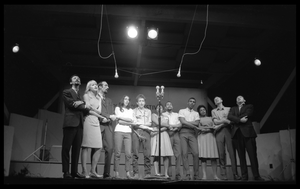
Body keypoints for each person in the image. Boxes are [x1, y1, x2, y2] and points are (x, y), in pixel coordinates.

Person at [227, 95, 264, 181]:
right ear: (236, 101)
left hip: (248, 133)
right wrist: (240, 120)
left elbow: (247, 114)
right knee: (241, 156)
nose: (239, 98)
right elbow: (229, 116)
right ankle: (244, 176)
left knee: (252, 155)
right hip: (237, 134)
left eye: (241, 97)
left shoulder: (249, 106)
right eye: (237, 97)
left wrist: (235, 120)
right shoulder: (233, 108)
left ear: (244, 100)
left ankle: (256, 176)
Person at [61, 74, 91, 179]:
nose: (77, 79)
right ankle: (66, 172)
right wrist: (83, 104)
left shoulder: (79, 95)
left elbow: (86, 109)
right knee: (66, 148)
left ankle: (74, 171)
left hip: (79, 124)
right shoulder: (67, 91)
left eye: (78, 78)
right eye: (74, 78)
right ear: (71, 82)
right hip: (70, 123)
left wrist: (80, 103)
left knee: (76, 149)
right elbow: (71, 104)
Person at [81, 80, 108, 178]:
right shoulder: (86, 95)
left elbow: (99, 111)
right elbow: (87, 109)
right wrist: (99, 116)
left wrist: (93, 109)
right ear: (89, 87)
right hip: (88, 120)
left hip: (96, 121)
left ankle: (93, 171)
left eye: (96, 84)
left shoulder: (98, 98)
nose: (95, 86)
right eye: (93, 85)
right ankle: (85, 171)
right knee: (86, 146)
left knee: (98, 147)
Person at [90, 81, 116, 179]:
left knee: (109, 149)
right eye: (105, 85)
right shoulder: (95, 97)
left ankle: (107, 173)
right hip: (98, 124)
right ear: (100, 87)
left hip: (108, 126)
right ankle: (94, 172)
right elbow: (96, 110)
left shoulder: (109, 100)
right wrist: (106, 116)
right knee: (96, 148)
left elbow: (112, 112)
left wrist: (109, 118)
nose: (107, 87)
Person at [211, 96, 241, 180]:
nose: (216, 99)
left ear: (222, 100)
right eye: (215, 99)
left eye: (218, 98)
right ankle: (223, 175)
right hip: (219, 133)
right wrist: (224, 121)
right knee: (221, 154)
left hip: (228, 131)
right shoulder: (213, 111)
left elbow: (230, 121)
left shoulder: (228, 109)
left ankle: (235, 174)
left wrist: (221, 123)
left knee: (232, 153)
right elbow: (215, 121)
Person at [132, 94, 154, 179]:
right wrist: (141, 125)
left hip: (146, 132)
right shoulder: (133, 111)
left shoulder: (148, 111)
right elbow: (134, 123)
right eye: (140, 101)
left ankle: (148, 173)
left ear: (145, 102)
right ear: (137, 103)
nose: (141, 102)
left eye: (143, 101)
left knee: (147, 154)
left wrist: (140, 124)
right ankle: (135, 173)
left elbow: (149, 123)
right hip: (136, 132)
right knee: (135, 153)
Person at [113, 95, 135, 179]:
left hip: (128, 132)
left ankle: (128, 173)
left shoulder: (131, 110)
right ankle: (116, 173)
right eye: (125, 99)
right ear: (122, 99)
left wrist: (123, 119)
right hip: (119, 131)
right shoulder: (117, 108)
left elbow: (131, 120)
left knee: (128, 154)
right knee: (117, 153)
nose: (127, 101)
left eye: (128, 99)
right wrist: (128, 120)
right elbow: (119, 121)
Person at [178, 97, 200, 181]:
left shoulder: (196, 113)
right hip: (183, 132)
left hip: (192, 133)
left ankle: (196, 175)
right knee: (184, 153)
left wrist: (186, 122)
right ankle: (187, 174)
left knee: (196, 153)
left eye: (194, 102)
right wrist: (191, 123)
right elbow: (182, 122)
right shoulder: (182, 111)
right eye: (190, 101)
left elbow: (197, 123)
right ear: (188, 102)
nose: (192, 103)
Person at [197, 105, 220, 180]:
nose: (203, 111)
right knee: (203, 157)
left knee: (213, 157)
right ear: (199, 112)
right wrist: (208, 129)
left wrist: (207, 129)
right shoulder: (198, 119)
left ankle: (215, 176)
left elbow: (214, 127)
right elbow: (199, 128)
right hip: (202, 138)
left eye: (204, 109)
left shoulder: (210, 118)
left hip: (211, 137)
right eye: (201, 110)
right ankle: (204, 176)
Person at [150, 104, 174, 179]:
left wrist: (161, 129)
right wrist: (166, 126)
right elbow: (157, 123)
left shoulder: (166, 117)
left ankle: (166, 173)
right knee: (156, 154)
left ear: (163, 109)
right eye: (158, 108)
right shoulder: (153, 115)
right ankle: (157, 173)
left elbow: (166, 126)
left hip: (163, 135)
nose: (159, 109)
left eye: (161, 108)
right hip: (156, 136)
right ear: (156, 109)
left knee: (165, 155)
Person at [162, 101, 182, 181]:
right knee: (168, 155)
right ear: (165, 107)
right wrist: (170, 127)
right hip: (167, 134)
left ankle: (178, 175)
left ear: (172, 106)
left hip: (176, 133)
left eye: (170, 104)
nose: (169, 105)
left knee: (178, 154)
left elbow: (180, 124)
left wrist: (173, 127)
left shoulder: (176, 114)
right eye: (167, 104)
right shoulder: (163, 114)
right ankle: (168, 174)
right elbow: (163, 124)